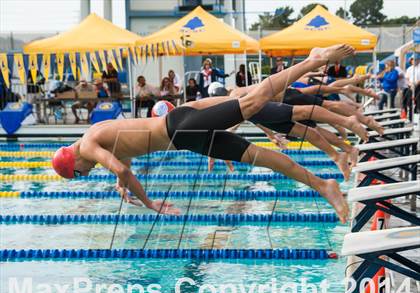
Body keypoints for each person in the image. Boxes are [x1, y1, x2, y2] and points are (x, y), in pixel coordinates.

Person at [51, 44, 357, 224]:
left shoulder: (87, 146)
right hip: (182, 126)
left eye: (78, 175)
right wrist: (122, 182)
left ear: (73, 164)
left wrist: (149, 203)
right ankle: (323, 185)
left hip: (180, 130)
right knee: (262, 156)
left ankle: (314, 61)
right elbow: (124, 161)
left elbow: (119, 167)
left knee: (253, 102)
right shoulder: (95, 133)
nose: (85, 174)